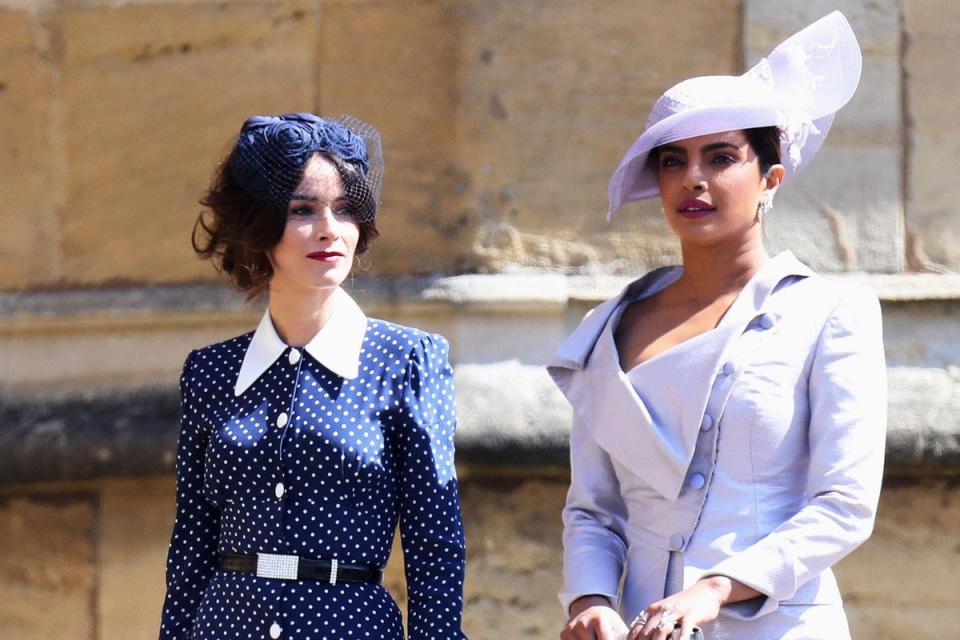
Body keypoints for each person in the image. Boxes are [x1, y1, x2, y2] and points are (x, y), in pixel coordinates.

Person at [550, 12, 886, 640]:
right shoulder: (610, 323)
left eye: (721, 157)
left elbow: (844, 506)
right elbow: (593, 510)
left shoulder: (832, 312)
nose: (693, 179)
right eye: (673, 161)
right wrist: (590, 600)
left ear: (770, 179)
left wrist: (715, 588)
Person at [159, 113, 467, 640]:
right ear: (258, 224)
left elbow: (434, 538)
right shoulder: (210, 372)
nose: (329, 228)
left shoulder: (406, 359)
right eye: (302, 210)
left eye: (346, 210)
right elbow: (191, 541)